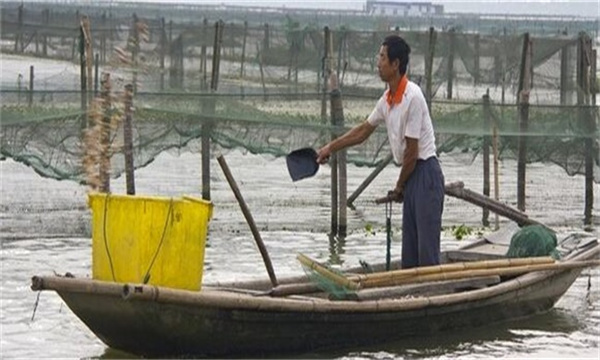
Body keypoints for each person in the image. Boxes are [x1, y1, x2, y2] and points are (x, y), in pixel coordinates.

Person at [316, 34, 445, 269]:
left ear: (396, 64)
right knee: (410, 254)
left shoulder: (412, 97)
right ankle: (410, 300)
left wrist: (399, 186)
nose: (378, 63)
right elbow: (363, 131)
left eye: (383, 57)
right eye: (379, 57)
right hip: (412, 175)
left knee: (427, 255)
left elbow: (412, 153)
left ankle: (433, 300)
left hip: (425, 174)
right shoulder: (387, 99)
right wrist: (330, 148)